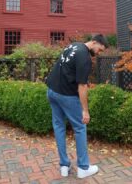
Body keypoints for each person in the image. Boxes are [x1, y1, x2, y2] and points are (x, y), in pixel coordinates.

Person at [46, 34, 108, 179]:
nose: (99, 53)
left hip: (52, 91)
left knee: (59, 127)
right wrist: (85, 110)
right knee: (80, 127)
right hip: (67, 95)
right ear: (94, 42)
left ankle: (64, 166)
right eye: (100, 49)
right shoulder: (84, 57)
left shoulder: (73, 46)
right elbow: (82, 86)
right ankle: (83, 168)